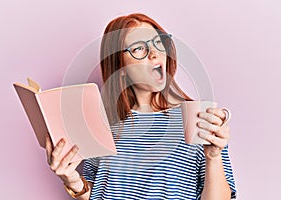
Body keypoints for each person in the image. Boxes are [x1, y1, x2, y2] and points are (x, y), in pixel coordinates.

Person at [45, 13, 237, 199]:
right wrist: (72, 181)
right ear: (119, 68)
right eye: (138, 48)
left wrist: (213, 156)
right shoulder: (101, 123)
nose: (154, 53)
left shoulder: (197, 119)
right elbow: (96, 193)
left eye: (158, 42)